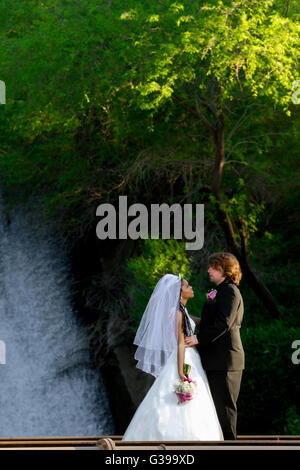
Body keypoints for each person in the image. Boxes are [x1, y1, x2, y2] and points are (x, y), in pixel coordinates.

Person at [122, 273, 224, 441]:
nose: (191, 288)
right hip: (183, 358)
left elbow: (201, 322)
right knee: (176, 397)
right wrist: (181, 372)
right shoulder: (177, 313)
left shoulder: (182, 310)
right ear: (179, 293)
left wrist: (211, 303)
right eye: (187, 286)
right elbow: (180, 343)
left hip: (190, 357)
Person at [185, 252, 245, 440]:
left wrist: (197, 339)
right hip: (215, 360)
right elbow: (212, 322)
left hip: (226, 360)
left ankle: (230, 447)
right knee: (216, 410)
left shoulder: (230, 291)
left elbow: (224, 324)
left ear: (225, 270)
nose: (209, 270)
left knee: (225, 409)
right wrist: (185, 316)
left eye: (214, 267)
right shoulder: (219, 291)